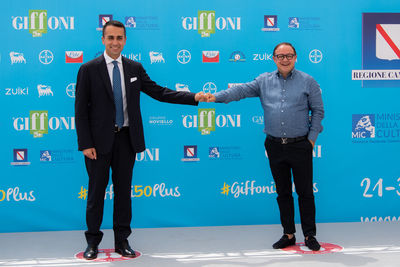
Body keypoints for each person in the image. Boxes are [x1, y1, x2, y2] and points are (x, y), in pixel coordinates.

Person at [75, 20, 207, 260]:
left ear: (125, 40)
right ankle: (92, 242)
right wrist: (85, 143)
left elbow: (159, 92)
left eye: (119, 38)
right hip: (98, 145)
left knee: (124, 193)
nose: (115, 42)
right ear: (103, 40)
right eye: (111, 38)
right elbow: (80, 110)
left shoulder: (134, 68)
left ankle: (121, 241)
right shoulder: (88, 69)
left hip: (127, 140)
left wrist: (193, 97)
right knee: (95, 194)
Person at [206, 42, 324, 251]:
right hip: (275, 146)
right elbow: (240, 91)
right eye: (280, 56)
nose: (285, 59)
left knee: (305, 193)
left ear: (296, 58)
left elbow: (318, 111)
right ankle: (288, 234)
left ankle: (309, 235)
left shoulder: (308, 81)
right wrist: (216, 97)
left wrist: (311, 140)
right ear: (274, 59)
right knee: (283, 193)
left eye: (289, 55)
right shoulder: (264, 81)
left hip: (300, 146)